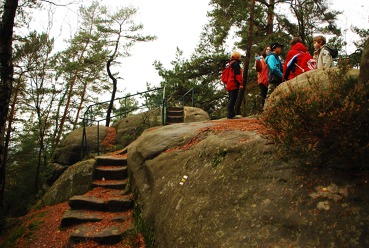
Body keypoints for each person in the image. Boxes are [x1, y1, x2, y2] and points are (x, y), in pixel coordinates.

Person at [223, 50, 243, 119]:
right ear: (237, 56)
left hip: (229, 83)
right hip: (234, 83)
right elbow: (237, 75)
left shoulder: (230, 64)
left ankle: (231, 113)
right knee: (233, 99)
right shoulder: (236, 64)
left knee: (231, 98)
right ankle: (231, 115)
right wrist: (240, 83)